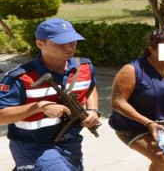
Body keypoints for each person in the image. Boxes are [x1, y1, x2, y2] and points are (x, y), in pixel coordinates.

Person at [0, 18, 100, 170]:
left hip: (71, 144)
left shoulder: (84, 67)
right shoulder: (19, 77)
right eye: (61, 43)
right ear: (40, 44)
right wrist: (39, 107)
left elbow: (90, 87)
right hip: (32, 146)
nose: (69, 47)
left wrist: (93, 110)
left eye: (73, 41)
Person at [109, 28, 164, 171]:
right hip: (134, 126)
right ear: (151, 48)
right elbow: (117, 102)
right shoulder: (132, 70)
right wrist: (147, 122)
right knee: (162, 159)